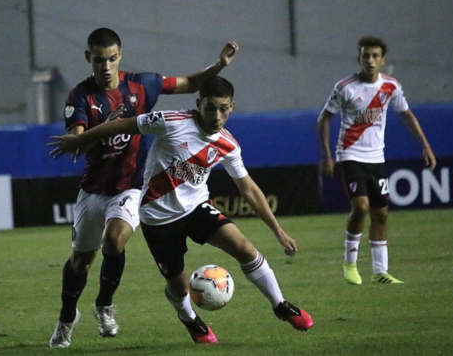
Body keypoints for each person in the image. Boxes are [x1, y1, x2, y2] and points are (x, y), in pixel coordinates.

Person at [49, 76, 314, 344]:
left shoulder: (228, 144)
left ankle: (280, 305)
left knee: (245, 249)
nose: (216, 115)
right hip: (158, 219)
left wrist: (278, 231)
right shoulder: (170, 121)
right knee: (179, 286)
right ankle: (190, 319)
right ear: (199, 104)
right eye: (210, 107)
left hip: (197, 208)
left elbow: (249, 190)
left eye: (223, 108)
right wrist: (78, 141)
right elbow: (121, 126)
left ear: (232, 107)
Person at [49, 27, 239, 348]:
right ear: (88, 59)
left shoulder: (143, 84)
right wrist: (78, 139)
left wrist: (219, 65)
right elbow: (78, 131)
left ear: (119, 56)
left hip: (132, 186)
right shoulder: (80, 96)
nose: (105, 66)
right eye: (98, 60)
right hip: (94, 189)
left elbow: (190, 84)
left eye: (111, 59)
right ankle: (68, 317)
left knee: (114, 240)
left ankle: (104, 305)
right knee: (81, 261)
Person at [317, 36, 436, 285]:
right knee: (360, 207)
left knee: (381, 213)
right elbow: (324, 119)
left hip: (376, 158)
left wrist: (424, 145)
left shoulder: (391, 86)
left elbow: (406, 115)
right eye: (365, 56)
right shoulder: (345, 87)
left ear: (383, 60)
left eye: (374, 56)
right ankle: (350, 264)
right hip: (349, 156)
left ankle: (380, 271)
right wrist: (327, 155)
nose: (370, 61)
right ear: (358, 58)